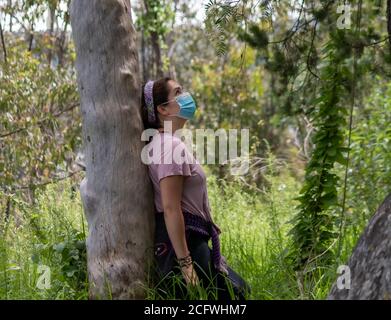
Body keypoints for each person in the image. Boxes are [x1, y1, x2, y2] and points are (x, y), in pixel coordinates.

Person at [141, 76, 251, 300]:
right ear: (163, 108)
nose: (186, 96)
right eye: (178, 92)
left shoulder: (163, 143)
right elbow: (171, 208)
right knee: (237, 294)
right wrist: (186, 265)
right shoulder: (169, 146)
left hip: (185, 239)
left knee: (239, 291)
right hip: (182, 241)